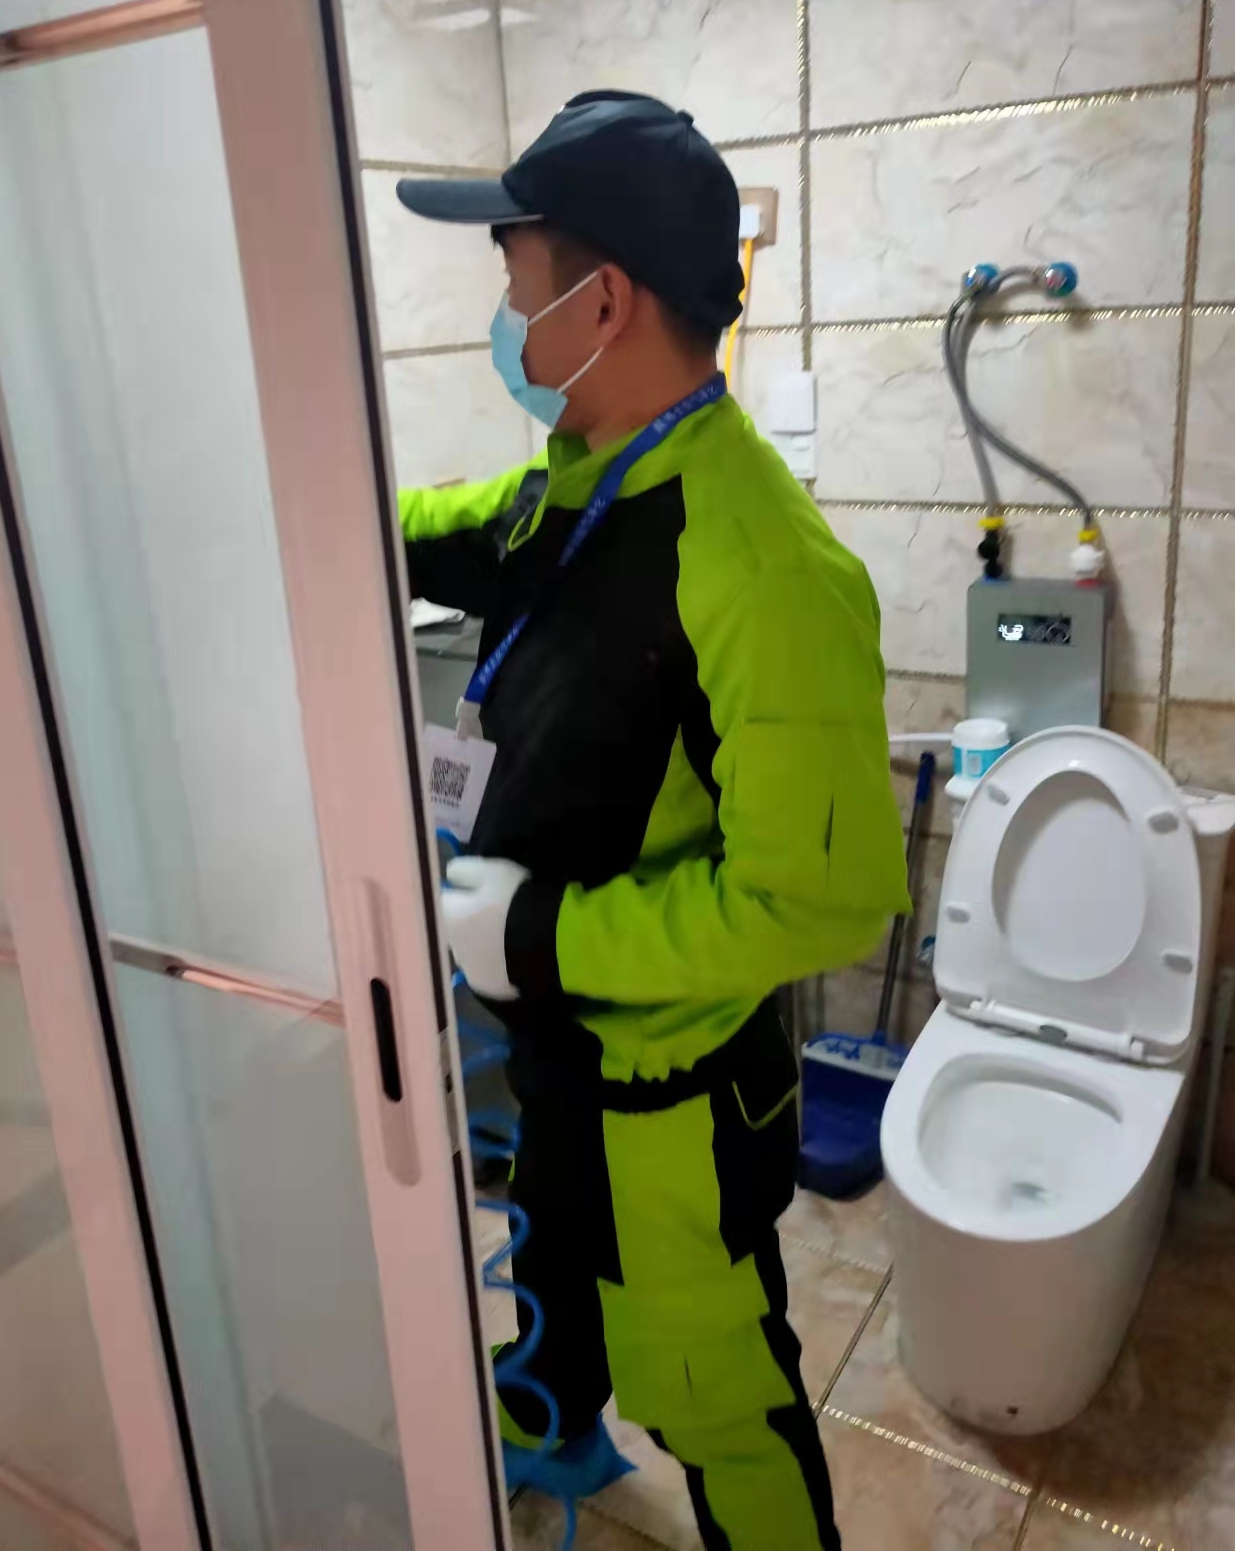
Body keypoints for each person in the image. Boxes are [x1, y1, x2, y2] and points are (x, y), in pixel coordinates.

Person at [396, 90, 908, 1551]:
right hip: (561, 1057)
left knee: (718, 1399)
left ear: (602, 302)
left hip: (666, 1103)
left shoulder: (764, 566)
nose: (506, 319)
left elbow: (817, 901)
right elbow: (457, 528)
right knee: (554, 1272)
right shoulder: (585, 481)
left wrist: (535, 933)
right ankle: (553, 1416)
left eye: (516, 282)